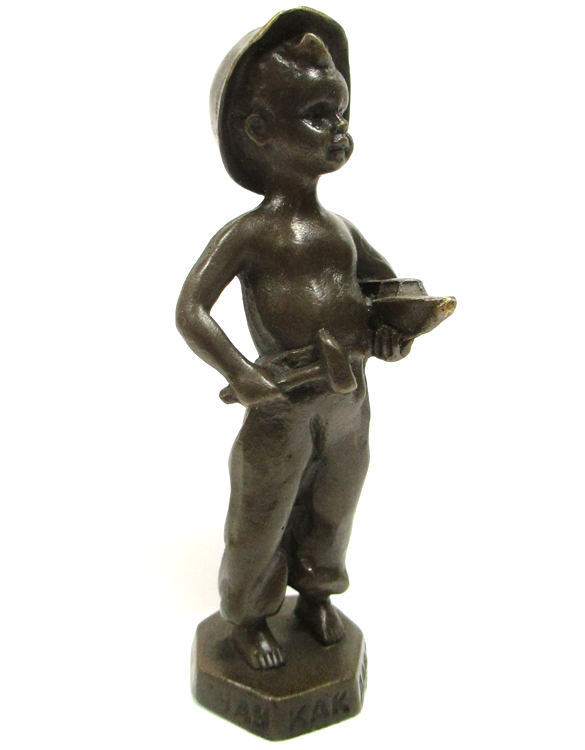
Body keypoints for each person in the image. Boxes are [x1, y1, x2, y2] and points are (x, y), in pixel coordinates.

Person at [176, 9, 410, 670]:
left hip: (348, 405)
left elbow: (388, 292)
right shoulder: (251, 235)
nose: (339, 130)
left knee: (335, 503)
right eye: (317, 116)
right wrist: (242, 372)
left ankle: (317, 594)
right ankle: (248, 616)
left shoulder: (341, 231)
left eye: (341, 113)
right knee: (262, 514)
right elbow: (191, 309)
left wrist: (394, 332)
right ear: (259, 131)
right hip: (281, 408)